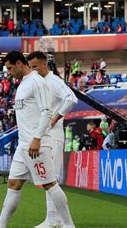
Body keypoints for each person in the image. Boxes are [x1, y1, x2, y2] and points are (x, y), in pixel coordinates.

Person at [0, 51, 75, 228]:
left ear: (19, 64)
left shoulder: (36, 81)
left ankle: (69, 224)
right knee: (13, 183)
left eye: (9, 68)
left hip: (36, 144)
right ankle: (0, 225)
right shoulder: (24, 83)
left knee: (49, 184)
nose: (8, 72)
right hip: (23, 145)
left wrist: (37, 138)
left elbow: (46, 111)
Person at [27, 51, 78, 227]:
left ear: (44, 65)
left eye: (35, 66)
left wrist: (56, 117)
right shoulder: (39, 82)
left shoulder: (54, 81)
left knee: (51, 177)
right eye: (30, 67)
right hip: (46, 135)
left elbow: (72, 98)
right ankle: (53, 218)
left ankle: (56, 219)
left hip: (54, 135)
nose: (32, 70)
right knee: (48, 177)